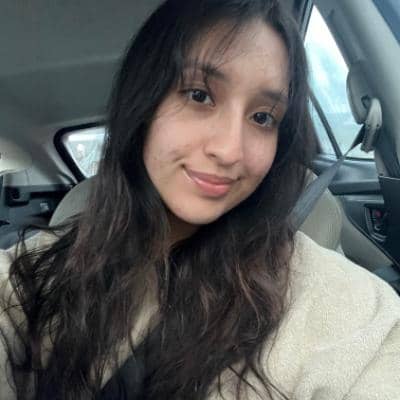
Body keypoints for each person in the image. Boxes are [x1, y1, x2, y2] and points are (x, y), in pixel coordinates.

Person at [0, 0, 399, 399]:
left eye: (263, 117)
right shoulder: (31, 278)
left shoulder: (345, 307)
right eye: (199, 95)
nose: (229, 150)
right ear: (143, 104)